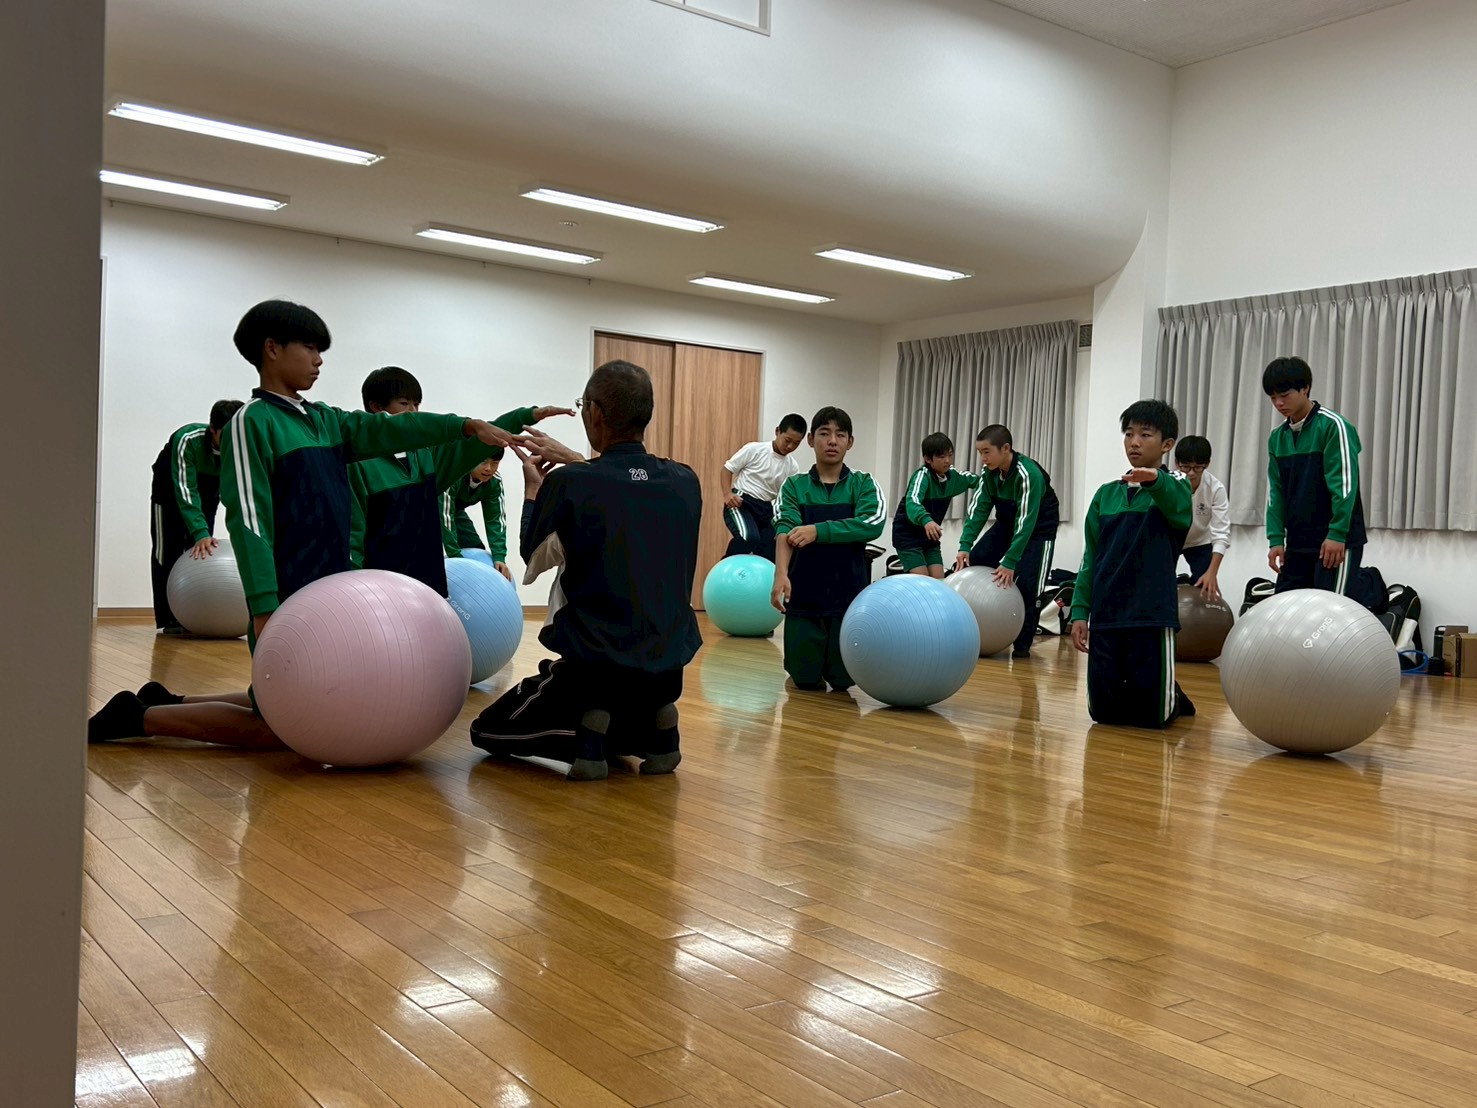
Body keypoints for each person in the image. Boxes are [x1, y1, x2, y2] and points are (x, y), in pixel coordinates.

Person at [88, 300, 517, 747]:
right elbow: (248, 520)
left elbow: (392, 430)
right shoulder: (252, 422)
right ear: (271, 349)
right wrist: (263, 607)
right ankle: (139, 718)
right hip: (287, 592)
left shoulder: (325, 419)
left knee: (292, 702)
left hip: (327, 588)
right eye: (310, 348)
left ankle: (168, 701)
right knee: (282, 725)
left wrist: (466, 426)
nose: (319, 360)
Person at [469, 360, 702, 782]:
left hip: (595, 670)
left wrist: (536, 489)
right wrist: (579, 464)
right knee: (633, 706)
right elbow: (627, 495)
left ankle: (588, 736)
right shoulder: (685, 480)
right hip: (666, 671)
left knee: (486, 729)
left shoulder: (573, 483)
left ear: (594, 413)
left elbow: (535, 559)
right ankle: (657, 729)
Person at [347, 366, 563, 594]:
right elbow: (353, 533)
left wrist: (523, 417)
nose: (414, 412)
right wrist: (355, 584)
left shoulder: (424, 455)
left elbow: (474, 444)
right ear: (376, 407)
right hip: (380, 586)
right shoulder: (358, 464)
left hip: (426, 582)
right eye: (404, 403)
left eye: (417, 404)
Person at [1069, 400, 1195, 729]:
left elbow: (1177, 504)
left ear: (1167, 444)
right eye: (1129, 434)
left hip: (1151, 615)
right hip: (1107, 614)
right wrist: (1080, 612)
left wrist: (1154, 480)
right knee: (1103, 714)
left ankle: (1173, 694)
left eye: (1145, 435)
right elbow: (1090, 558)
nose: (1134, 442)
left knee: (1154, 718)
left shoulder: (1176, 486)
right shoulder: (1105, 495)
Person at [770, 407, 887, 693]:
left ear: (850, 442)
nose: (832, 441)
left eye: (840, 435)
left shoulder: (864, 483)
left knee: (844, 681)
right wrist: (780, 574)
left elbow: (872, 524)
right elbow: (784, 529)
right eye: (824, 433)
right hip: (804, 598)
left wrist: (817, 531)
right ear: (811, 440)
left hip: (847, 601)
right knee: (804, 680)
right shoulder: (793, 486)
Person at [955, 424, 1061, 658]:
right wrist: (965, 546)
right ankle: (972, 631)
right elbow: (978, 510)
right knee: (977, 559)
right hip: (1007, 523)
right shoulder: (989, 474)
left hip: (1039, 529)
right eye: (980, 452)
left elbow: (1026, 521)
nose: (983, 458)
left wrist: (1010, 561)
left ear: (1005, 449)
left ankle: (1022, 646)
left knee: (1029, 586)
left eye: (987, 452)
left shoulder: (1028, 474)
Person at [1263, 356, 1366, 595]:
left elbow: (1344, 486)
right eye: (1273, 397)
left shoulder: (1333, 426)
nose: (1279, 403)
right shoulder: (1277, 437)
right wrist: (1276, 539)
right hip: (1298, 542)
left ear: (1305, 388)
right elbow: (1275, 493)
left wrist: (1337, 533)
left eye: (1284, 395)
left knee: (1330, 611)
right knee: (1285, 608)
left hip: (1335, 541)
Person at [148, 400, 243, 633]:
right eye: (227, 435)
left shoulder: (241, 447)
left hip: (208, 488)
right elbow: (185, 491)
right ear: (213, 430)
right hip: (170, 490)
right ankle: (169, 619)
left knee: (199, 548)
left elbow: (236, 493)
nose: (233, 442)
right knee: (166, 551)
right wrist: (200, 531)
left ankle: (193, 617)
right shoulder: (188, 439)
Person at [891, 432, 979, 579]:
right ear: (928, 459)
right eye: (941, 456)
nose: (947, 461)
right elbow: (912, 502)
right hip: (907, 537)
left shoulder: (953, 476)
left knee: (939, 580)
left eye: (950, 455)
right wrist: (926, 520)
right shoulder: (922, 476)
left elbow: (979, 481)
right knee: (923, 581)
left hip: (930, 537)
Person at [722, 414, 807, 559]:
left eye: (796, 443)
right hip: (742, 502)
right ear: (777, 431)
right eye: (787, 440)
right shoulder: (754, 449)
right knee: (748, 537)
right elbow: (727, 469)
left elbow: (788, 497)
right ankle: (725, 565)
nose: (790, 446)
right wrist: (728, 494)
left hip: (767, 509)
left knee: (772, 548)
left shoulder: (792, 467)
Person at [1173, 435, 1230, 601]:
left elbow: (1221, 534)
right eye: (1186, 467)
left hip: (1199, 541)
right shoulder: (1169, 483)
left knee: (1205, 587)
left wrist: (1212, 573)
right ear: (1176, 463)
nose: (1191, 473)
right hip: (1171, 539)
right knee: (1161, 584)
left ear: (1207, 464)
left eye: (1198, 467)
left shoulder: (1216, 488)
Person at [443, 450, 511, 580]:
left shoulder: (494, 481)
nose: (489, 468)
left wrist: (499, 556)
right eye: (483, 461)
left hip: (454, 510)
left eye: (495, 463)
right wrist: (456, 557)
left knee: (473, 547)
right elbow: (444, 516)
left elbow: (496, 519)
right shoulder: (453, 474)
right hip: (424, 506)